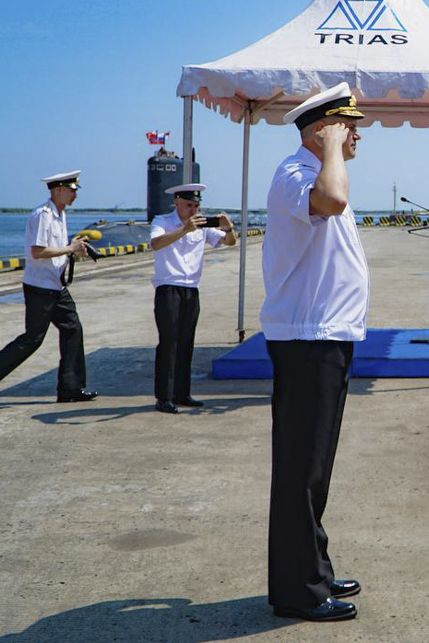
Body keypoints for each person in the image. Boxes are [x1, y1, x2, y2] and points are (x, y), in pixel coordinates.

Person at [260, 83, 368, 623]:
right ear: (322, 129)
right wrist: (329, 149)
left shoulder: (319, 171)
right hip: (307, 338)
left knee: (315, 469)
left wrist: (330, 151)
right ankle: (298, 591)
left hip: (325, 336)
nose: (357, 137)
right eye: (349, 127)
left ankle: (314, 570)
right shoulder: (296, 174)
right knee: (301, 470)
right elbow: (332, 201)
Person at [0, 171, 98, 407]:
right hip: (40, 288)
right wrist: (70, 248)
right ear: (58, 190)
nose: (75, 194)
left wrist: (74, 251)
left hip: (55, 285)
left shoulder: (60, 214)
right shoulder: (42, 215)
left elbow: (55, 250)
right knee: (32, 339)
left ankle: (70, 388)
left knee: (73, 329)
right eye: (72, 190)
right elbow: (38, 251)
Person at [149, 183, 235, 414]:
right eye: (188, 205)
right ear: (176, 203)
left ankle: (182, 393)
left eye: (196, 206)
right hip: (169, 287)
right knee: (169, 343)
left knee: (186, 342)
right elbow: (155, 244)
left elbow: (229, 242)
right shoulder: (162, 221)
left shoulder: (201, 225)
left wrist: (228, 228)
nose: (193, 210)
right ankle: (163, 397)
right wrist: (184, 230)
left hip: (191, 289)